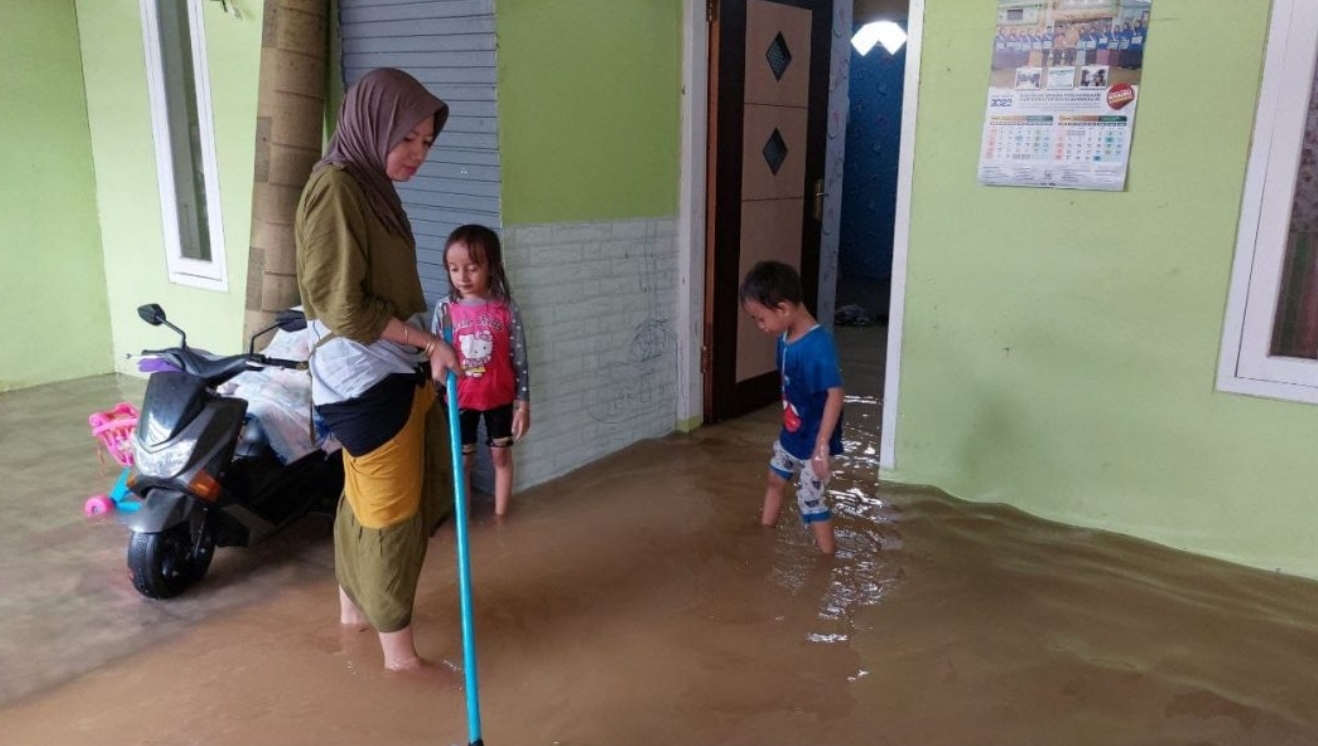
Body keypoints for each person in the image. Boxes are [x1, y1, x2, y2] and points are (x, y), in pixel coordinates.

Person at [295, 67, 460, 671]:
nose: (417, 153)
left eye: (426, 142)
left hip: (377, 375)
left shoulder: (363, 182)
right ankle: (402, 664)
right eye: (407, 137)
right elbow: (343, 307)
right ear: (372, 124)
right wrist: (427, 342)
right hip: (365, 382)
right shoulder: (339, 188)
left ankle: (351, 619)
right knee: (391, 517)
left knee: (362, 501)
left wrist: (423, 348)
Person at [739, 261, 844, 555]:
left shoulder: (817, 346)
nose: (760, 327)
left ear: (783, 309)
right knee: (775, 479)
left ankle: (827, 559)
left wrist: (822, 446)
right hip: (793, 433)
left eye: (760, 319)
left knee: (811, 500)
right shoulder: (784, 336)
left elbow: (835, 395)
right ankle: (764, 536)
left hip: (815, 439)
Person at [431, 224, 530, 518]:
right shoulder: (445, 310)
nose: (462, 277)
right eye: (454, 268)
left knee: (500, 454)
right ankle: (466, 520)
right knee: (462, 463)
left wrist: (523, 406)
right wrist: (434, 380)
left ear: (491, 266)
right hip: (458, 401)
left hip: (500, 398)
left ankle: (501, 520)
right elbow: (435, 356)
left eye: (472, 268)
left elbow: (521, 361)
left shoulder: (506, 309)